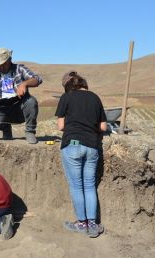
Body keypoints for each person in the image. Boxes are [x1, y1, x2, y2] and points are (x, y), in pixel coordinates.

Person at [55, 71, 107, 238]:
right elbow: (104, 127)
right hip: (92, 146)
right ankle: (92, 225)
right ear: (84, 84)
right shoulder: (95, 98)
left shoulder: (67, 97)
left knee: (77, 186)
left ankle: (81, 223)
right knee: (90, 185)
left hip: (72, 145)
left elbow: (61, 126)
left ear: (69, 86)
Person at [0, 47, 43, 144]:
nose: (0, 67)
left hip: (19, 106)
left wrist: (24, 84)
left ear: (10, 60)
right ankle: (6, 128)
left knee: (31, 101)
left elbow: (37, 79)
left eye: (3, 64)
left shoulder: (20, 69)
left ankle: (30, 131)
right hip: (1, 108)